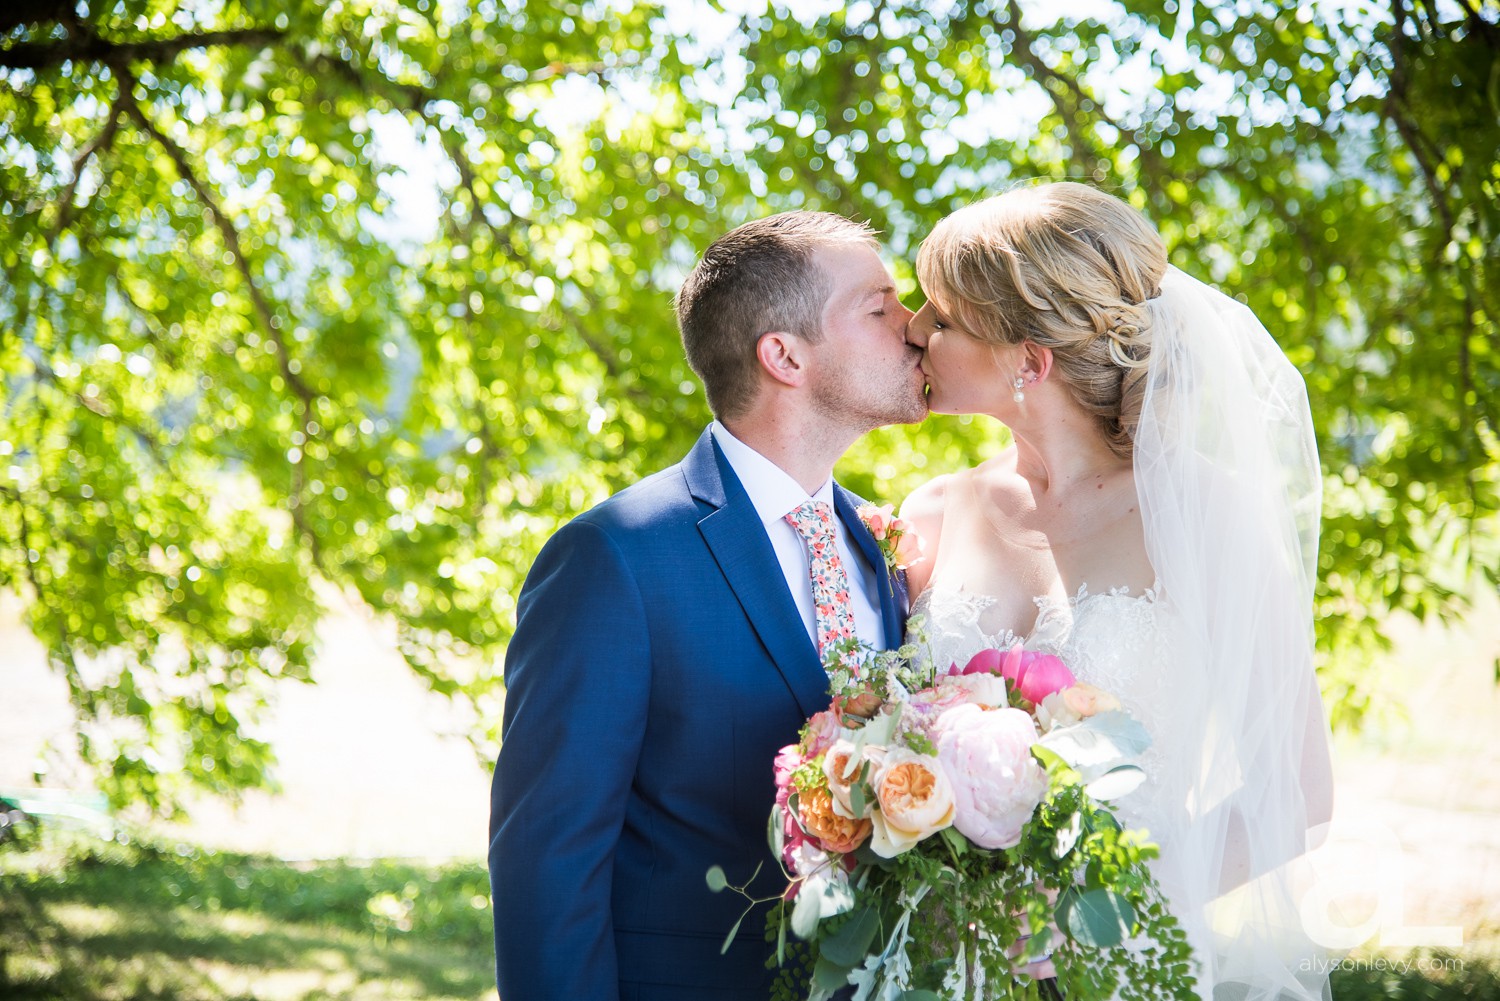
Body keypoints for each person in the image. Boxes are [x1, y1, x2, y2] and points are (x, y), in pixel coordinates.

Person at [899, 182, 1337, 1000]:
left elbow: (1295, 796)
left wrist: (1090, 907)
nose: (912, 329)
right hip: (934, 963)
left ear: (1031, 361)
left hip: (1125, 958)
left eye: (942, 317)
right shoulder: (929, 514)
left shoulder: (1206, 517)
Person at [489, 210, 928, 1000]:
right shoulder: (614, 556)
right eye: (880, 306)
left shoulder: (884, 545)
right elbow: (547, 864)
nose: (919, 325)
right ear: (785, 354)